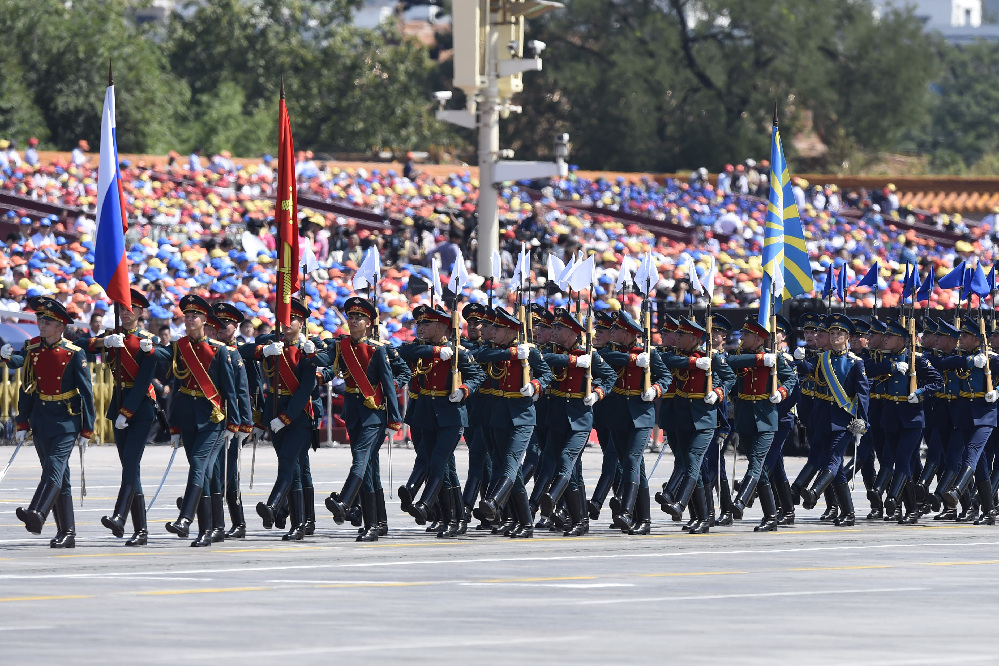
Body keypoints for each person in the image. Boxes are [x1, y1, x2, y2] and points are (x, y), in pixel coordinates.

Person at [2, 297, 95, 548]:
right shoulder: (33, 349)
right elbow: (27, 387)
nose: (41, 325)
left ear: (60, 326)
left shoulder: (74, 353)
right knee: (59, 476)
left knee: (54, 466)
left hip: (66, 420)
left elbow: (86, 392)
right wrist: (22, 422)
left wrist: (87, 428)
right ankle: (67, 532)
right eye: (40, 320)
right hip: (42, 418)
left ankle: (38, 512)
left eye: (47, 322)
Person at [150, 295, 240, 547]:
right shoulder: (180, 347)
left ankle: (185, 519)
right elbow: (171, 374)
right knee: (204, 474)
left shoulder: (219, 350)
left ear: (204, 320)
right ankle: (209, 530)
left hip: (212, 418)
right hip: (188, 417)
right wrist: (145, 347)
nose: (189, 320)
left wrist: (234, 424)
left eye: (194, 316)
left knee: (199, 465)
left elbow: (230, 390)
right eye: (186, 316)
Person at [322, 297, 408, 541]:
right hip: (353, 411)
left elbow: (389, 384)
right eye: (350, 317)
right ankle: (377, 523)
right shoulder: (342, 345)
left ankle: (345, 501)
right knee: (369, 468)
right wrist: (310, 354)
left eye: (358, 318)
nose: (353, 321)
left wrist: (394, 419)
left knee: (361, 458)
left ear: (369, 323)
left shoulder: (378, 349)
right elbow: (327, 365)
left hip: (374, 413)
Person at [396, 304, 483, 538]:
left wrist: (464, 390)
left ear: (442, 327)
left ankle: (427, 505)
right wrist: (435, 351)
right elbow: (400, 353)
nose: (420, 327)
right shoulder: (419, 350)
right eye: (419, 323)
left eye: (426, 324)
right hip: (426, 415)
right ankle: (453, 518)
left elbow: (477, 376)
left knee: (438, 462)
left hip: (450, 416)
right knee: (443, 468)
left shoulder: (458, 352)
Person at [245, 297, 324, 541]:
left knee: (288, 464)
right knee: (294, 470)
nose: (287, 324)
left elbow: (305, 389)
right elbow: (241, 351)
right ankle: (298, 524)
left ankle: (273, 506)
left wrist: (287, 417)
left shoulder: (308, 350)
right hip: (274, 413)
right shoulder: (272, 344)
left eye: (293, 319)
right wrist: (264, 350)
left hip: (298, 416)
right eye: (284, 319)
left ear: (302, 324)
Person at [469, 306, 552, 538]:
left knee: (511, 461)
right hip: (498, 415)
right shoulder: (493, 350)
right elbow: (480, 356)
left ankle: (494, 501)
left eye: (498, 328)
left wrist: (535, 385)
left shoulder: (530, 352)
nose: (492, 331)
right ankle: (523, 522)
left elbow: (547, 374)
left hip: (522, 415)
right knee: (503, 465)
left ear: (511, 331)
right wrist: (513, 354)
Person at [536, 307, 616, 536]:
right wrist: (572, 361)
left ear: (572, 332)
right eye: (553, 327)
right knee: (572, 471)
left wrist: (597, 393)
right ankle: (580, 520)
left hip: (580, 420)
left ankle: (552, 497)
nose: (552, 331)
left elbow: (610, 376)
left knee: (566, 459)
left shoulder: (589, 355)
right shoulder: (552, 351)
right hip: (556, 419)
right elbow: (542, 359)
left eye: (558, 328)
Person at [89, 289, 160, 546]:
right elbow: (84, 345)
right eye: (121, 309)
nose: (125, 314)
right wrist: (104, 343)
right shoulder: (112, 335)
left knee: (130, 463)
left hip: (139, 406)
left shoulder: (148, 340)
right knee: (131, 468)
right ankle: (141, 531)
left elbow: (143, 381)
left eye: (130, 310)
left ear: (140, 313)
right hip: (118, 401)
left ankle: (119, 516)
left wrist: (126, 412)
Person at [658, 317, 735, 534]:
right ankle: (702, 518)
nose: (676, 337)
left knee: (693, 459)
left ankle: (680, 503)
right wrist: (693, 363)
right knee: (695, 468)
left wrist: (717, 393)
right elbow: (666, 360)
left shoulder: (711, 357)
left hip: (704, 419)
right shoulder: (675, 356)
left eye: (681, 335)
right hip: (681, 418)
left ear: (694, 338)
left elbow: (730, 378)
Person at [601, 310, 673, 534]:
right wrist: (633, 359)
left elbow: (666, 377)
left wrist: (655, 390)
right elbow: (605, 359)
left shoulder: (648, 353)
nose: (611, 331)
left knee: (632, 459)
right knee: (632, 466)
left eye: (616, 329)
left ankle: (626, 511)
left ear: (627, 333)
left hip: (641, 415)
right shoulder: (611, 352)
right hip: (617, 415)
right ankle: (644, 520)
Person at [723, 316, 797, 531]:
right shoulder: (738, 355)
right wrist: (758, 359)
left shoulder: (774, 357)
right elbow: (729, 364)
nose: (741, 338)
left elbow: (791, 379)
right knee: (761, 470)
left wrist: (781, 393)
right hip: (745, 417)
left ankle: (740, 500)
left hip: (766, 418)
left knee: (757, 462)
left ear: (757, 338)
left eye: (746, 335)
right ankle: (771, 517)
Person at [798, 314, 870, 527]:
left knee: (834, 458)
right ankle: (848, 513)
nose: (835, 336)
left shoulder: (855, 363)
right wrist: (798, 360)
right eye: (832, 333)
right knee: (837, 470)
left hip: (843, 419)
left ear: (847, 337)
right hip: (822, 418)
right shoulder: (822, 359)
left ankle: (815, 491)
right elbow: (807, 370)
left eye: (839, 333)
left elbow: (862, 394)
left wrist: (863, 422)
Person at [868, 319, 941, 524]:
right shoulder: (884, 359)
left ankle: (898, 501)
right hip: (890, 417)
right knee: (903, 463)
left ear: (901, 340)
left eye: (889, 336)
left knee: (902, 459)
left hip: (912, 419)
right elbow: (867, 370)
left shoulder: (916, 359)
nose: (885, 339)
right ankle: (911, 509)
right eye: (885, 336)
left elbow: (937, 381)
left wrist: (921, 393)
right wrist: (891, 366)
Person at [210, 303, 254, 539]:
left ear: (235, 326)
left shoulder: (236, 353)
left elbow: (243, 391)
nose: (220, 327)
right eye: (217, 322)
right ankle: (213, 515)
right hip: (212, 418)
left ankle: (237, 521)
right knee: (215, 470)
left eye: (225, 323)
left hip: (232, 420)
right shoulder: (211, 349)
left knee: (227, 473)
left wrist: (245, 423)